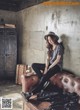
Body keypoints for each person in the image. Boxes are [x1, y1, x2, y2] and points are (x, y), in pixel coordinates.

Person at [21, 32, 64, 101]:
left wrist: (50, 67)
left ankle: (31, 94)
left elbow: (58, 60)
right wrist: (46, 67)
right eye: (48, 40)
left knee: (44, 77)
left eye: (50, 39)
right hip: (50, 65)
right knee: (34, 65)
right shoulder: (50, 47)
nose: (49, 41)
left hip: (57, 66)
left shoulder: (59, 47)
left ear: (54, 38)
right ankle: (43, 79)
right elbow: (47, 59)